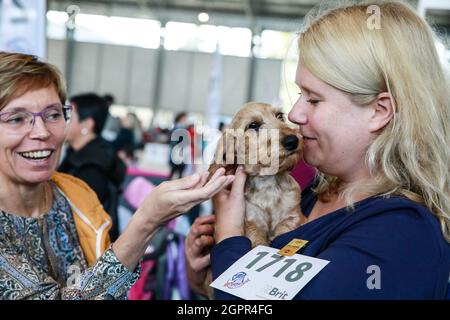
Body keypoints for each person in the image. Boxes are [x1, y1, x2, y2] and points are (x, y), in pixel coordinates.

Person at [185, 1, 450, 299]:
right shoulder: (313, 192)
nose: (295, 114)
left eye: (313, 99)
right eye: (300, 94)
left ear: (379, 110)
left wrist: (229, 236)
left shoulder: (401, 235)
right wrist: (206, 278)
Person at [0, 51, 235, 300]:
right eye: (16, 119)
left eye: (53, 115)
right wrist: (147, 220)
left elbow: (105, 278)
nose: (42, 132)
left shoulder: (75, 195)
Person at [58, 93, 125, 241]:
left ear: (87, 124)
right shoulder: (76, 153)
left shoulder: (93, 167)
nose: (61, 121)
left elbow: (78, 217)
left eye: (68, 116)